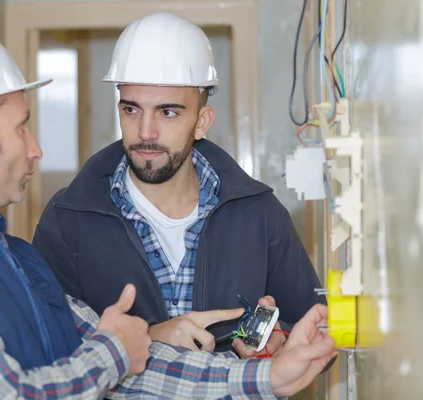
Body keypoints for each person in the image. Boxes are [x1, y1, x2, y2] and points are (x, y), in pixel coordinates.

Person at [0, 27, 337, 400]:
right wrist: (115, 351)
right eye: (21, 129)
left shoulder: (12, 256)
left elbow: (135, 362)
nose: (35, 150)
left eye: (167, 111)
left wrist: (264, 376)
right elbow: (29, 388)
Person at [33, 11, 325, 357]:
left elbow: (314, 329)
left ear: (201, 122)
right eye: (131, 110)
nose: (145, 132)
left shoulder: (259, 214)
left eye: (167, 112)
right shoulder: (68, 219)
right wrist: (150, 337)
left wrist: (280, 343)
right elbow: (44, 349)